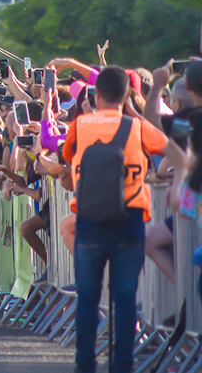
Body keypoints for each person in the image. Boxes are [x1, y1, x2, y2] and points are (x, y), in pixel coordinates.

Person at [63, 66, 181, 373]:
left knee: (88, 296)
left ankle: (84, 365)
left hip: (88, 218)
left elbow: (66, 155)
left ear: (97, 94)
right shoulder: (136, 127)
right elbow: (175, 151)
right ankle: (122, 366)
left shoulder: (81, 125)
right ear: (128, 95)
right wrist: (178, 180)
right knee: (125, 297)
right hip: (129, 219)